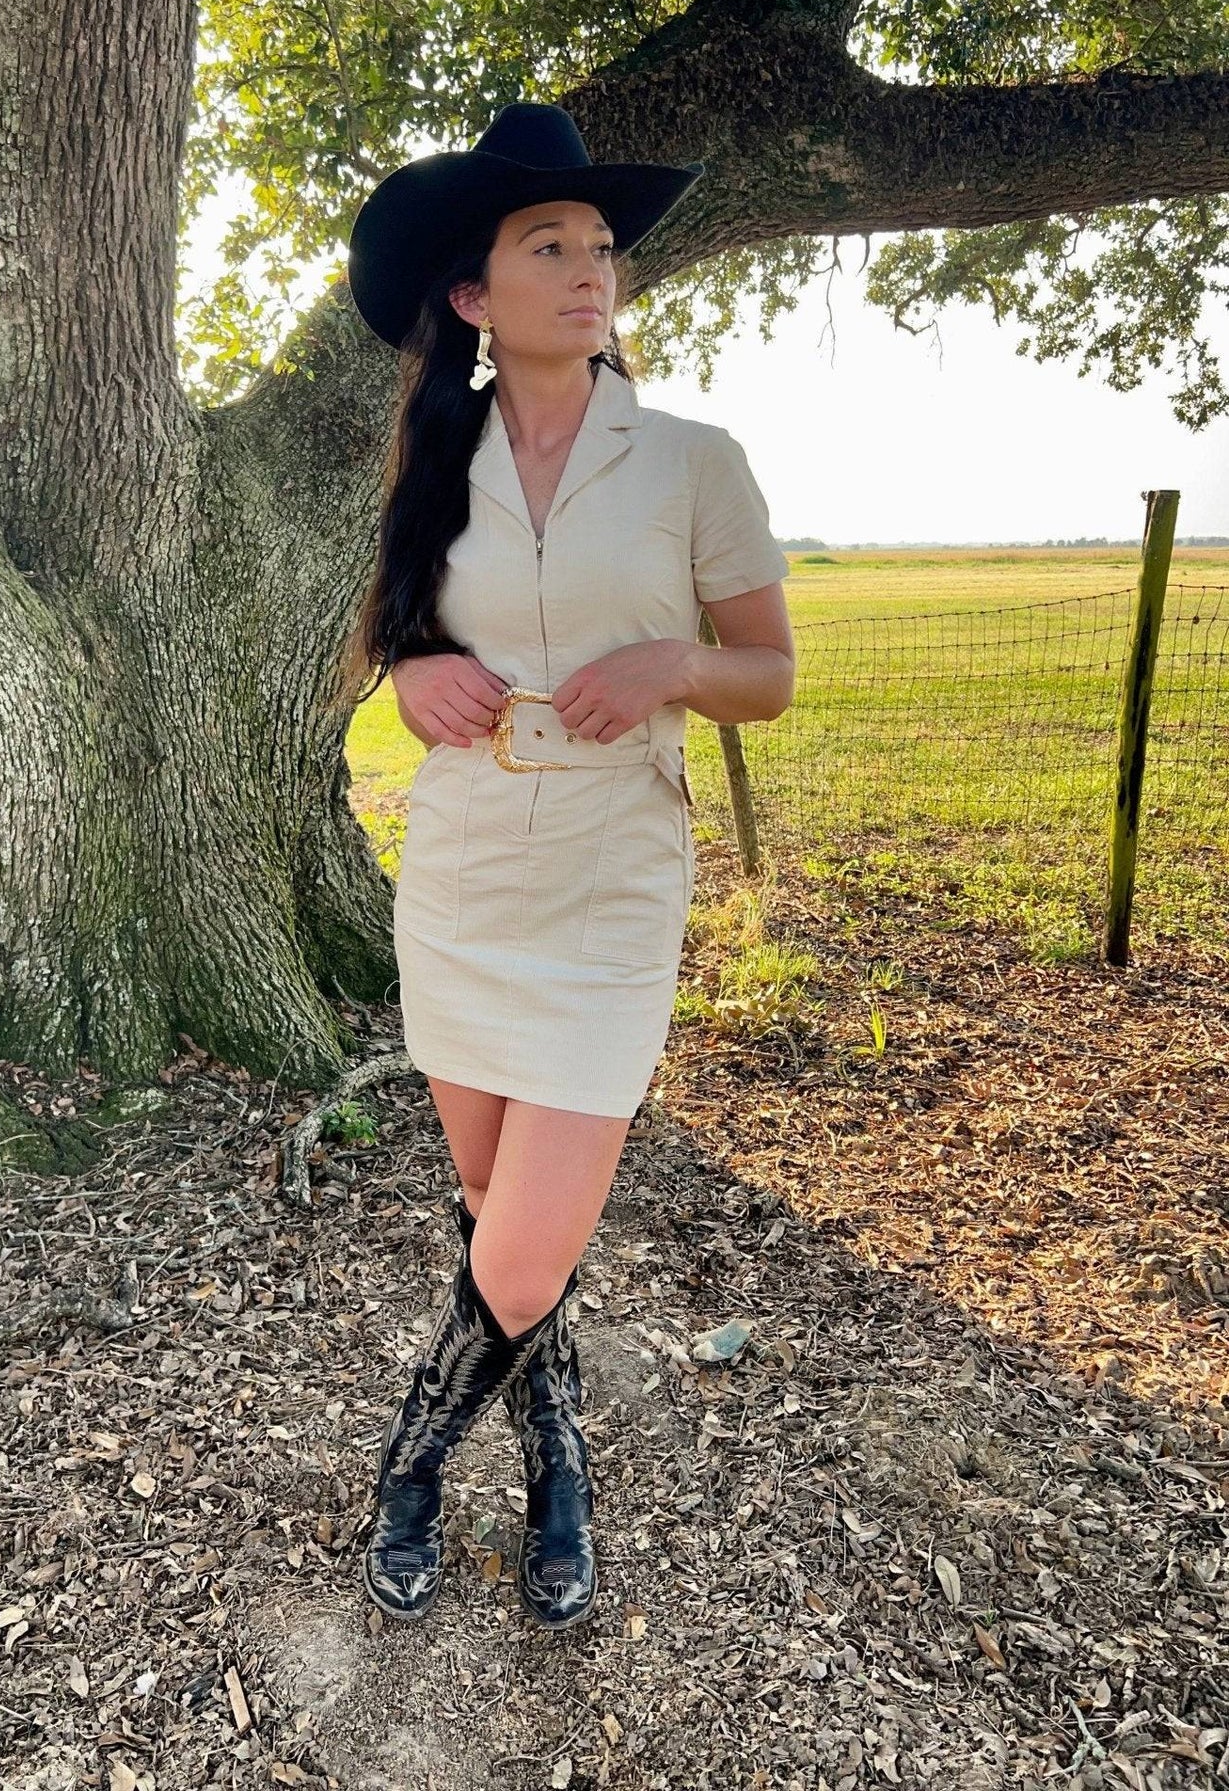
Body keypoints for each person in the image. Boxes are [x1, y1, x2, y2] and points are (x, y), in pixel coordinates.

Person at [338, 102, 796, 1630]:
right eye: (550, 246)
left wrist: (675, 660)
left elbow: (768, 674)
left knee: (524, 1261)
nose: (591, 269)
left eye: (600, 246)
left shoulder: (689, 462)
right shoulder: (436, 454)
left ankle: (408, 1469)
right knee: (491, 1210)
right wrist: (411, 669)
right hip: (464, 874)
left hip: (609, 879)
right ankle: (557, 1475)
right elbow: (401, 631)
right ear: (473, 294)